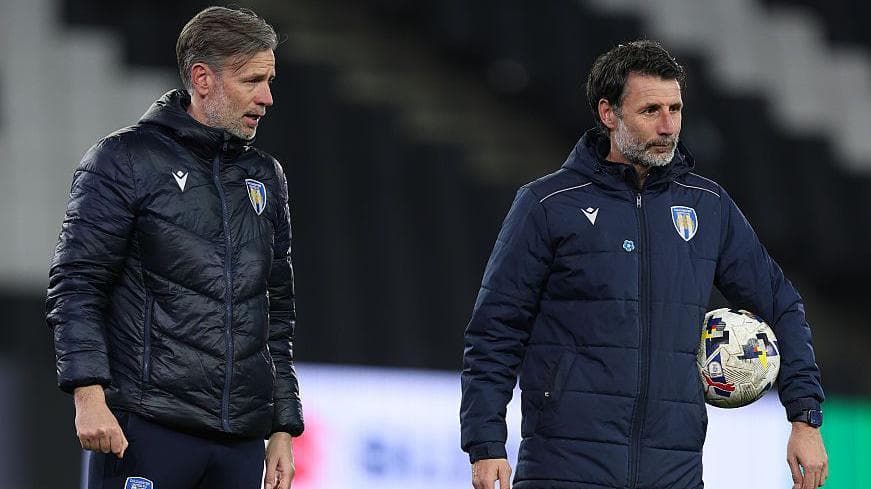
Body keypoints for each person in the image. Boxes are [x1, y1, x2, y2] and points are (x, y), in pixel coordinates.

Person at [460, 40, 828, 489]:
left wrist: (805, 418)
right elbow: (495, 331)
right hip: (565, 467)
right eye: (651, 110)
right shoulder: (547, 204)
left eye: (675, 109)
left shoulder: (708, 205)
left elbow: (781, 304)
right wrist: (486, 444)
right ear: (608, 113)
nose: (668, 126)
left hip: (672, 472)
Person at [46, 7, 302, 489]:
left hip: (239, 442)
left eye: (269, 81)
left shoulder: (266, 177)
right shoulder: (124, 159)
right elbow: (77, 285)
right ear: (203, 79)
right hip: (147, 427)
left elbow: (277, 313)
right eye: (252, 80)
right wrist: (88, 395)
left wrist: (283, 429)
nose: (267, 98)